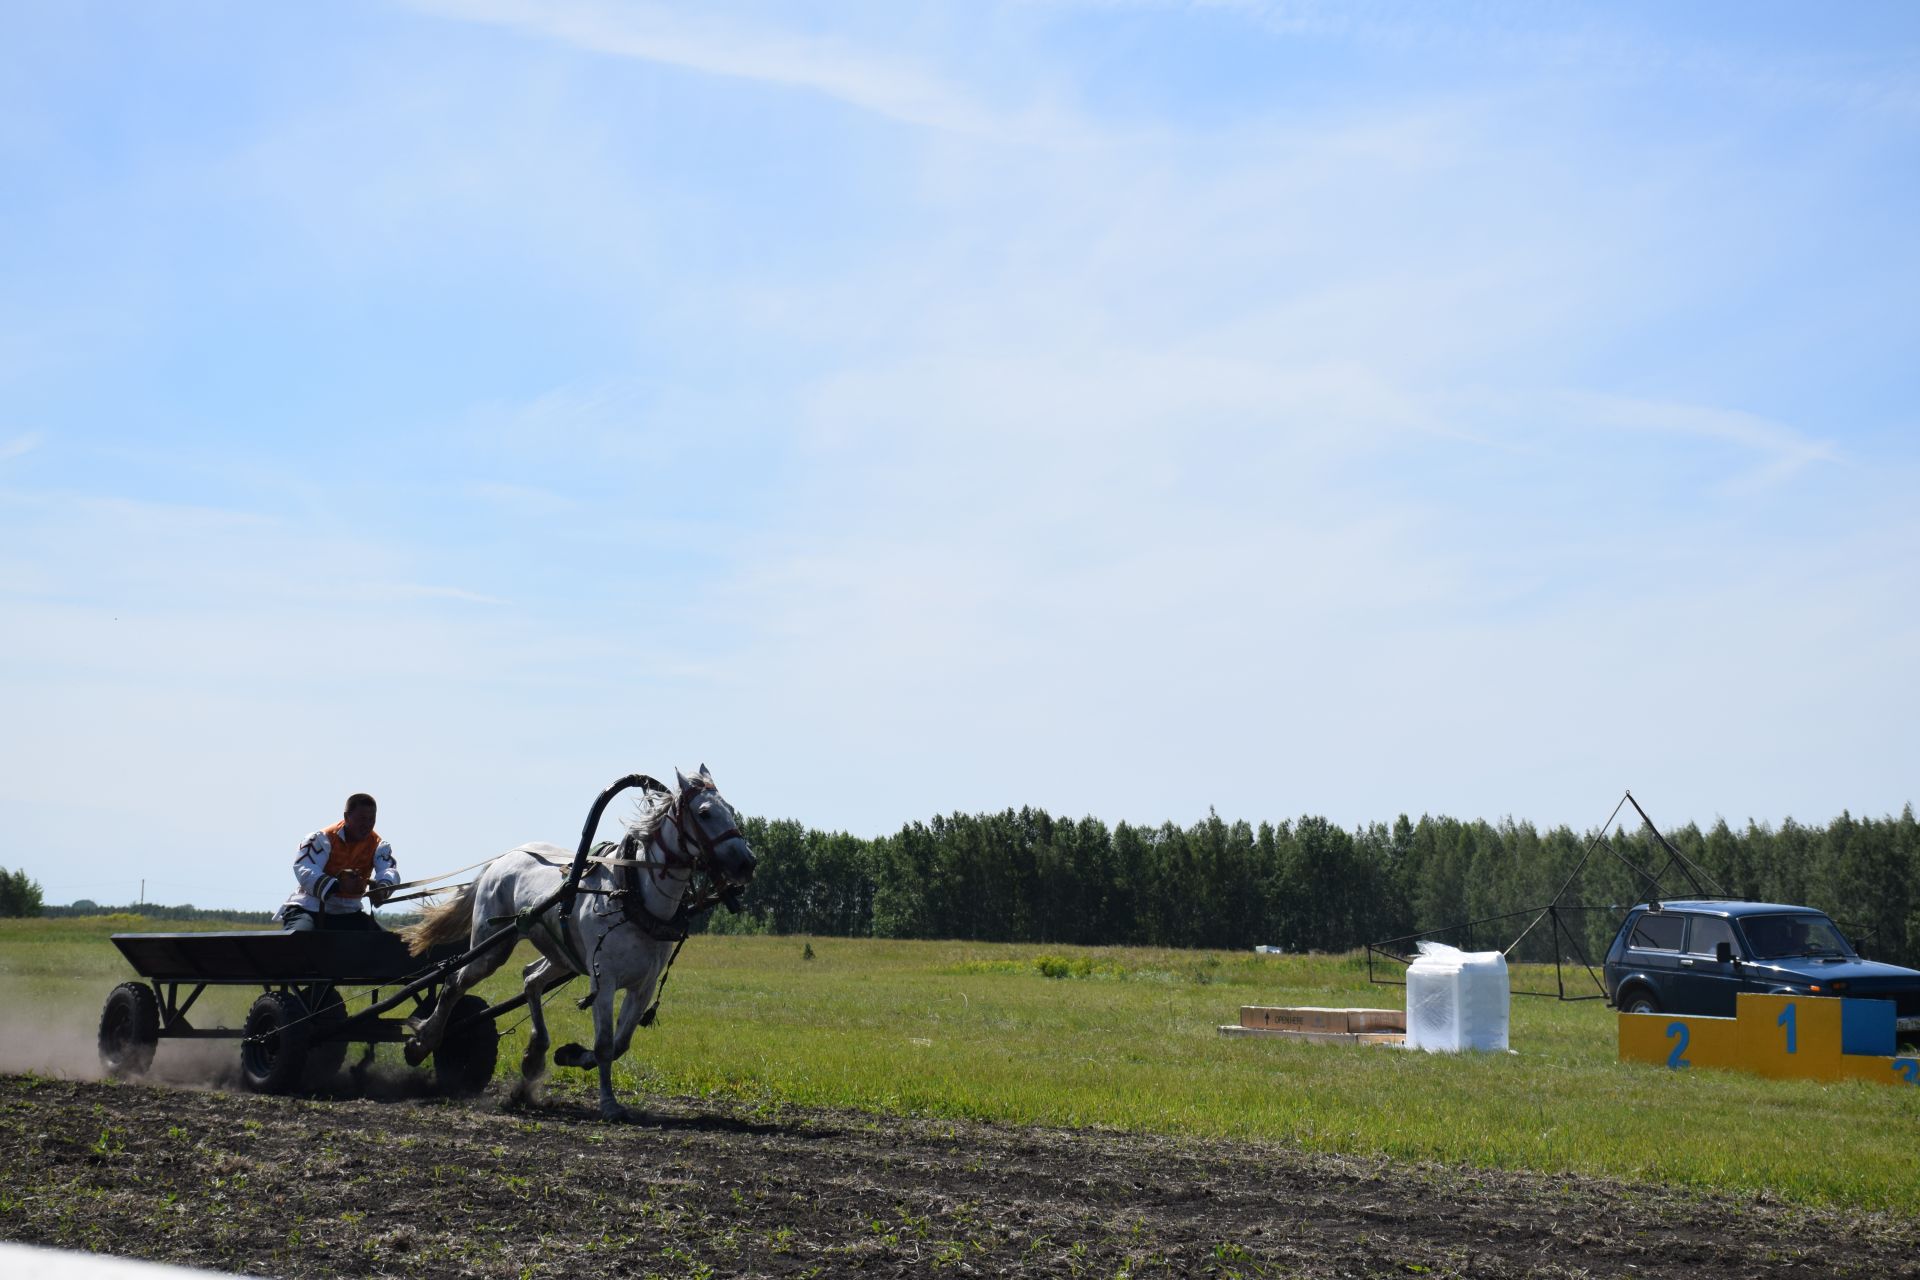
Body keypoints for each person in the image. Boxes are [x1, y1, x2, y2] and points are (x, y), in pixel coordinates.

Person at [280, 793, 400, 931]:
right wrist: (338, 886)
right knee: (300, 939)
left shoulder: (379, 846)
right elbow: (304, 868)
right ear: (346, 817)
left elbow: (389, 871)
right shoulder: (321, 839)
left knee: (389, 944)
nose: (367, 825)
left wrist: (381, 888)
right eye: (361, 819)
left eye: (371, 819)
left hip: (349, 913)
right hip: (309, 908)